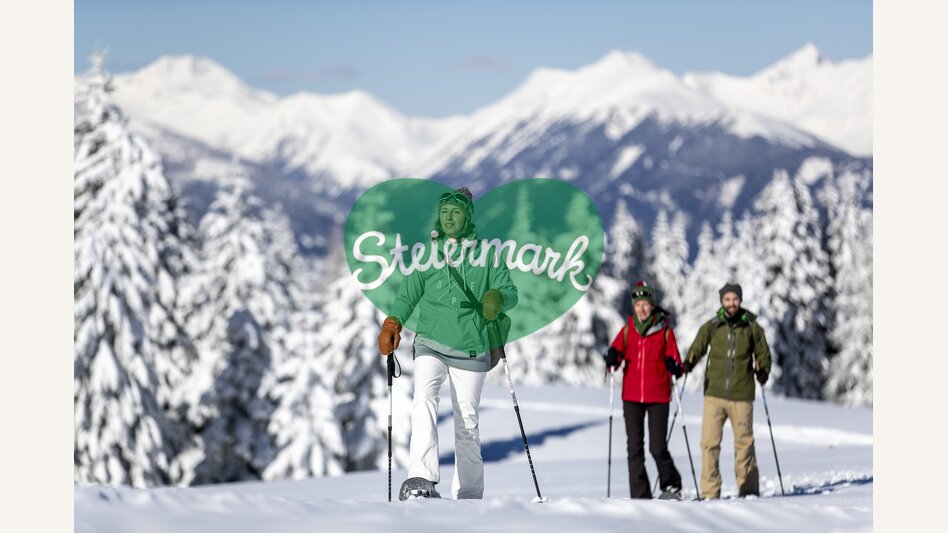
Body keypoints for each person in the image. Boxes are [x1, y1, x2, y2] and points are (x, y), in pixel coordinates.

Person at [377, 186, 518, 500]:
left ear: (467, 216)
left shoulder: (488, 254)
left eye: (456, 212)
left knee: (466, 420)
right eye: (445, 213)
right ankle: (421, 479)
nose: (449, 218)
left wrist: (496, 297)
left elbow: (509, 290)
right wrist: (393, 322)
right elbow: (408, 294)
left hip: (472, 345)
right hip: (430, 341)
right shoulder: (427, 254)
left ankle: (469, 492)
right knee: (423, 399)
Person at [683, 282, 772, 499]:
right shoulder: (713, 326)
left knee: (744, 445)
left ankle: (748, 492)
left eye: (734, 299)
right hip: (713, 394)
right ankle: (709, 493)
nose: (731, 303)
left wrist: (763, 370)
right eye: (727, 299)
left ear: (740, 300)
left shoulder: (751, 327)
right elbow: (697, 347)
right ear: (721, 301)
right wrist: (688, 363)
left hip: (741, 396)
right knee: (709, 444)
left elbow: (763, 354)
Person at [603, 281, 685, 499]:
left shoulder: (664, 331)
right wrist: (611, 357)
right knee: (634, 450)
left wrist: (674, 366)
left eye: (645, 304)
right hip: (631, 397)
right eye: (638, 304)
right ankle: (640, 495)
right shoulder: (628, 330)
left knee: (657, 447)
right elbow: (615, 355)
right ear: (634, 305)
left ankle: (672, 485)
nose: (642, 309)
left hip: (658, 396)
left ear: (652, 306)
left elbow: (677, 363)